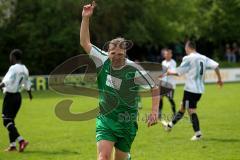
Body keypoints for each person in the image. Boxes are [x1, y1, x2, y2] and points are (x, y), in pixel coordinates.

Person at [80, 1, 160, 160]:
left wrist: (154, 112)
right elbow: (85, 42)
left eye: (120, 54)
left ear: (125, 53)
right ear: (107, 52)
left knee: (121, 158)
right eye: (113, 53)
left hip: (127, 121)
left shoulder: (134, 69)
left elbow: (155, 87)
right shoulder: (101, 59)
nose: (116, 57)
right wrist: (86, 18)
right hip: (106, 118)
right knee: (103, 157)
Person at [161, 40, 223, 141]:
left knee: (191, 110)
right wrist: (219, 79)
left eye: (185, 47)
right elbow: (216, 65)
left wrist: (168, 72)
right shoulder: (203, 57)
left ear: (188, 47)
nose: (185, 49)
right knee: (183, 107)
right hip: (199, 90)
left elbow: (179, 72)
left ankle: (198, 134)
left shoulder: (188, 58)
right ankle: (169, 126)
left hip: (190, 89)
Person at [0, 49, 32, 152]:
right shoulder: (25, 69)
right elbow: (27, 83)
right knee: (11, 121)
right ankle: (12, 145)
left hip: (10, 96)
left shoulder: (13, 68)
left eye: (10, 56)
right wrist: (30, 94)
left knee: (6, 121)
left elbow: (7, 80)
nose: (10, 58)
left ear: (13, 57)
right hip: (18, 97)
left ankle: (21, 140)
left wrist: (0, 86)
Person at [158, 49, 176, 119]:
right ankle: (159, 114)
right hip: (163, 84)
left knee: (170, 99)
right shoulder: (163, 62)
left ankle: (175, 113)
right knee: (160, 98)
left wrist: (165, 73)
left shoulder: (173, 62)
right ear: (164, 55)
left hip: (170, 85)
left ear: (171, 55)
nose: (167, 55)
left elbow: (171, 72)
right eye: (166, 54)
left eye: (168, 54)